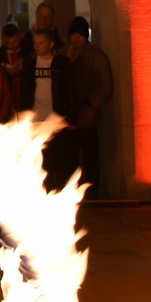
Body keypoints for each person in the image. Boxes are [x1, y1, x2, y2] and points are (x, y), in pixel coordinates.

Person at [19, 27, 76, 191]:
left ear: (51, 44)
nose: (37, 46)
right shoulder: (30, 64)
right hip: (37, 118)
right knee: (42, 158)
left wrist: (71, 117)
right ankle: (46, 190)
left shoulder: (61, 63)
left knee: (60, 158)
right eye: (35, 43)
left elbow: (71, 89)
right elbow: (25, 91)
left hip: (57, 118)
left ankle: (61, 190)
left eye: (41, 42)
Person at [66, 17, 112, 196]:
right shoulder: (65, 54)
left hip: (87, 113)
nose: (76, 39)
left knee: (89, 152)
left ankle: (92, 188)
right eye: (74, 35)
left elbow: (104, 85)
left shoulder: (95, 57)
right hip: (70, 112)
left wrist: (91, 103)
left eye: (80, 35)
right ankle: (73, 188)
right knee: (71, 154)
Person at [0, 23, 25, 107]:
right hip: (7, 97)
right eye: (8, 43)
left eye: (15, 41)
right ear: (2, 39)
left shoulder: (27, 52)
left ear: (19, 37)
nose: (12, 45)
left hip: (25, 94)